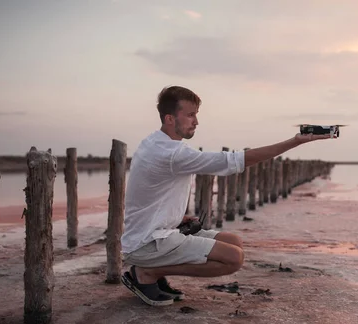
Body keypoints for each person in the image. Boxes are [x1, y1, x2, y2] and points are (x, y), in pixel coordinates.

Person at [120, 85, 335, 306]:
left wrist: (174, 218)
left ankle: (153, 270)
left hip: (151, 232)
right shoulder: (173, 154)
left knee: (234, 242)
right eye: (190, 115)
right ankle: (148, 272)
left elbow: (147, 194)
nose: (196, 122)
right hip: (146, 243)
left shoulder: (153, 142)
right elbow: (235, 161)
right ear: (169, 118)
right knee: (233, 259)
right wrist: (295, 141)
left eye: (196, 115)